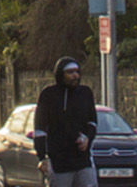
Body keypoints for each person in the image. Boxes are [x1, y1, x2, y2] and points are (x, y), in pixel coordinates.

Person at [33, 58, 99, 187]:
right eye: (70, 72)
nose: (75, 75)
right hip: (59, 162)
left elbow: (92, 122)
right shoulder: (48, 95)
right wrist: (42, 157)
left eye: (77, 72)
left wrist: (87, 138)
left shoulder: (85, 93)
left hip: (83, 160)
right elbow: (40, 129)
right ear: (60, 74)